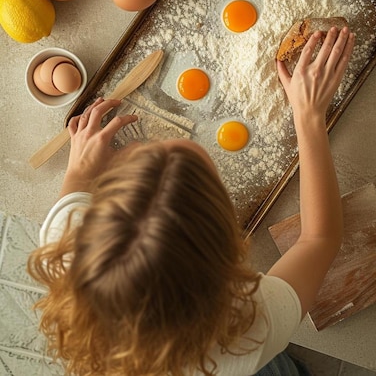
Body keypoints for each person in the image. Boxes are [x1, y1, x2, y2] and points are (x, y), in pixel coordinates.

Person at [28, 26, 355, 376]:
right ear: (226, 245)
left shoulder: (67, 252)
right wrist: (309, 117)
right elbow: (321, 239)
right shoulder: (248, 331)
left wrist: (78, 171)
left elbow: (74, 194)